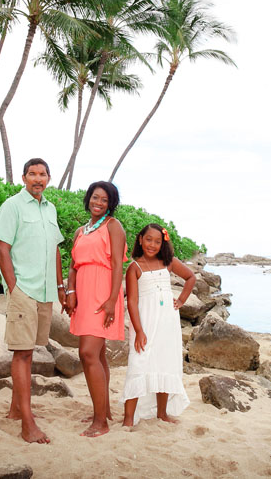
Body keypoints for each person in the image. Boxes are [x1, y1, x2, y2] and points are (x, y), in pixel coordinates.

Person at [0, 158, 65, 444]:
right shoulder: (12, 206)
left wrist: (61, 287)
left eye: (42, 174)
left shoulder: (51, 209)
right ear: (24, 177)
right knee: (22, 354)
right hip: (24, 290)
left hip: (46, 292)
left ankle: (14, 409)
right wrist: (14, 288)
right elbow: (2, 248)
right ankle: (27, 422)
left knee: (30, 351)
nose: (38, 178)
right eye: (32, 174)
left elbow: (56, 250)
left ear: (48, 178)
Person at [65, 181, 126, 437]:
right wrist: (70, 292)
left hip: (102, 295)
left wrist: (113, 299)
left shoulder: (113, 226)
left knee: (88, 354)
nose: (98, 203)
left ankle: (100, 422)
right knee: (97, 355)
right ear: (88, 198)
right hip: (83, 294)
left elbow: (116, 265)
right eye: (95, 197)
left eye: (104, 200)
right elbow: (73, 265)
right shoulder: (82, 230)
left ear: (110, 204)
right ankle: (104, 411)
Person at [121, 223, 194, 427]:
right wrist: (139, 330)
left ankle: (162, 413)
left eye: (157, 241)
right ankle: (128, 419)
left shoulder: (168, 262)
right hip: (145, 322)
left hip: (167, 323)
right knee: (138, 364)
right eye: (148, 240)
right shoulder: (134, 267)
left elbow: (190, 277)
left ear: (163, 243)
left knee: (165, 363)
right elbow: (132, 302)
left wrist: (180, 301)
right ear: (140, 240)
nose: (152, 244)